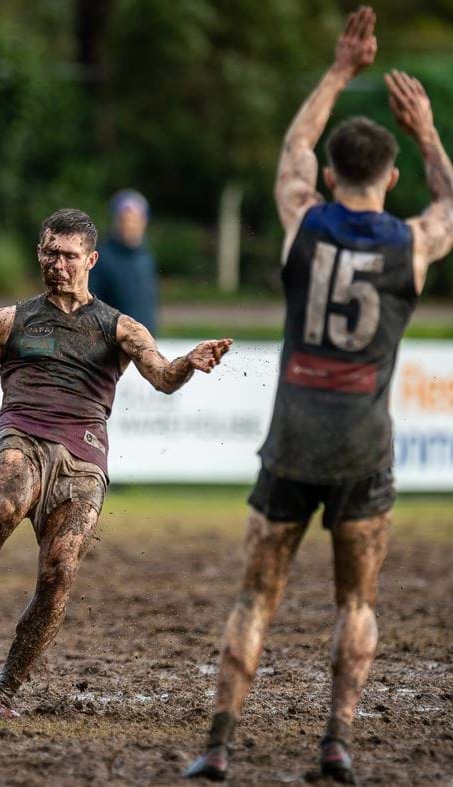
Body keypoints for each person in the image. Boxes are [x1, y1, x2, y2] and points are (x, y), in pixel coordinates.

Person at [184, 7, 453, 783]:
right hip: (364, 447)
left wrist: (339, 71)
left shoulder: (304, 224)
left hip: (292, 441)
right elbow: (450, 206)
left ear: (332, 178)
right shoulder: (412, 243)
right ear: (390, 179)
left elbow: (292, 150)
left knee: (255, 597)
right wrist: (427, 130)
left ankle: (219, 744)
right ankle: (336, 740)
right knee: (356, 603)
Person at [0, 209, 232, 717]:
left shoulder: (120, 328)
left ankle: (3, 692)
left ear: (91, 260)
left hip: (83, 461)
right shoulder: (8, 322)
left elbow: (163, 377)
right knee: (5, 508)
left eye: (69, 256)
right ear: (39, 253)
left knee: (60, 569)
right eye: (50, 253)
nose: (58, 264)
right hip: (21, 439)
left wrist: (188, 362)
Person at [88, 189, 159, 335]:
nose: (129, 225)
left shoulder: (146, 256)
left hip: (146, 339)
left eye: (134, 220)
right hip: (112, 339)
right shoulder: (100, 258)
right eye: (124, 220)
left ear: (144, 221)